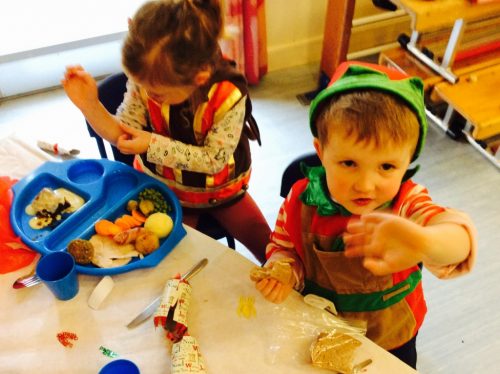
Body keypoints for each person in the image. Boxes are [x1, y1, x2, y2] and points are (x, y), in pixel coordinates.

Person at [253, 61, 476, 368]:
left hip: (391, 335)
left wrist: (424, 241)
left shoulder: (406, 202)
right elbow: (284, 247)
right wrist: (283, 268)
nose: (366, 185)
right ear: (321, 152)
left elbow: (458, 239)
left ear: (407, 160)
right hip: (321, 325)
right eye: (348, 163)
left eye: (386, 167)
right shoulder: (300, 198)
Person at [61, 0, 270, 264]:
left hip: (220, 191)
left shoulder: (227, 95)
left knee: (269, 247)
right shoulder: (147, 80)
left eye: (157, 92)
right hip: (165, 189)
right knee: (173, 263)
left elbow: (214, 160)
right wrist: (90, 105)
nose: (148, 93)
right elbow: (121, 134)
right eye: (141, 84)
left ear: (200, 77)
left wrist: (151, 144)